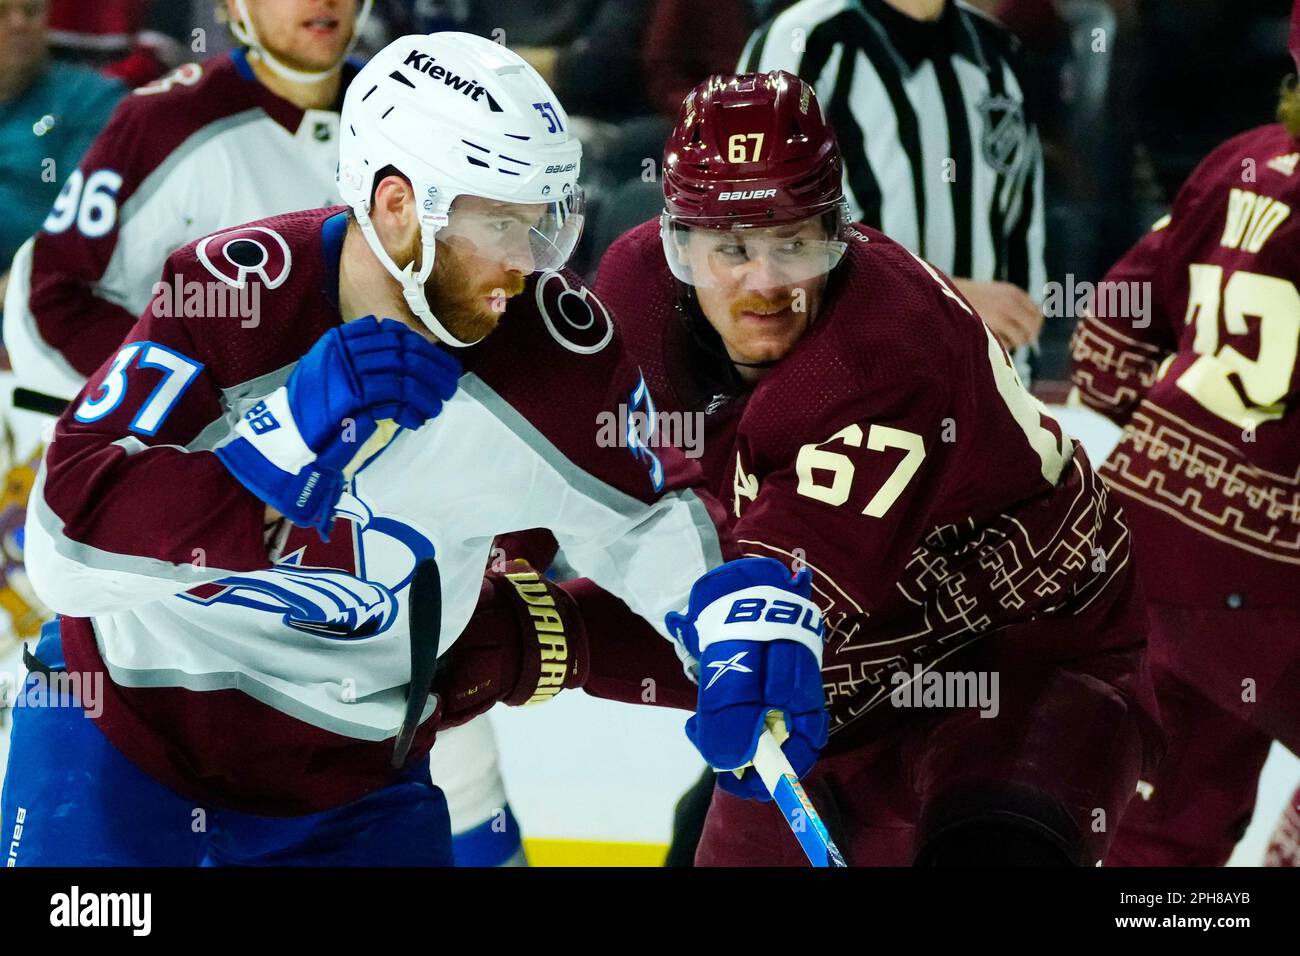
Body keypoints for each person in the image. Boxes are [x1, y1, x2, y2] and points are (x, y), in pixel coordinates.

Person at [0, 32, 752, 866]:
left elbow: (650, 523)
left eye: (543, 224)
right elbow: (60, 554)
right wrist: (274, 451)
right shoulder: (231, 295)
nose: (525, 265)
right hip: (120, 743)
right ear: (396, 206)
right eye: (499, 224)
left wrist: (740, 634)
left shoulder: (557, 356)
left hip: (350, 785)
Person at [584, 70, 1161, 865]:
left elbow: (762, 622)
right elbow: (569, 474)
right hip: (837, 674)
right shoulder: (635, 298)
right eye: (732, 248)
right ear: (677, 245)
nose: (766, 283)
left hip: (1023, 649)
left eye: (795, 243)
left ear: (839, 230)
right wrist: (516, 604)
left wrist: (542, 637)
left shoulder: (889, 347)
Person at [1069, 2, 1300, 868]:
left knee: (1165, 829)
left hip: (1145, 544)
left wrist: (1179, 453)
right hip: (1272, 584)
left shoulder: (1243, 160)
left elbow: (1110, 328)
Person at [3, 0, 372, 402]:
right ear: (235, 7)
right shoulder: (164, 119)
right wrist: (196, 399)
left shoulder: (405, 108)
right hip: (213, 434)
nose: (324, 1)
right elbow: (51, 297)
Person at [738, 0, 1046, 381]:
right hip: (837, 388)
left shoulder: (998, 51)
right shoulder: (805, 42)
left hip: (975, 388)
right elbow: (763, 242)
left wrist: (1017, 387)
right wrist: (940, 302)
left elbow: (1022, 234)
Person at [0, 0, 124, 276]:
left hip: (42, 284)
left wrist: (20, 285)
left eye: (31, 11)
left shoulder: (92, 100)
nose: (20, 24)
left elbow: (83, 224)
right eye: (1, 12)